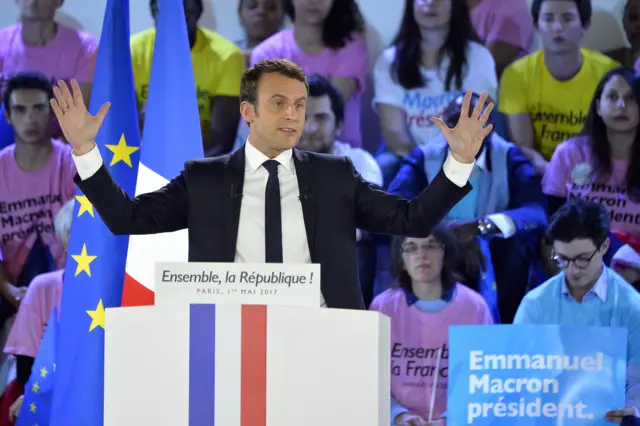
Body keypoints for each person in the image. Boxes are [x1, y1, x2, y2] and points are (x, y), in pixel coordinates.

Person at [50, 59, 495, 310]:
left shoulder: (334, 174)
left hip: (322, 333)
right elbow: (127, 217)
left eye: (299, 106)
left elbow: (411, 217)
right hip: (226, 337)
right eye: (278, 103)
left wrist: (459, 160)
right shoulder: (203, 179)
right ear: (247, 112)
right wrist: (87, 151)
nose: (291, 116)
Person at [388, 93, 547, 323]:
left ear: (489, 128)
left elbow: (535, 211)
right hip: (435, 241)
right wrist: (447, 233)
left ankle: (503, 329)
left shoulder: (509, 156)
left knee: (515, 244)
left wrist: (480, 228)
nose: (464, 130)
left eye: (474, 122)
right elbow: (394, 206)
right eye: (455, 122)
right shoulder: (424, 157)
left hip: (494, 250)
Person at [514, 197, 640, 422]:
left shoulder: (631, 307)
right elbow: (516, 375)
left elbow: (637, 383)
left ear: (604, 246)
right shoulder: (535, 304)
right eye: (562, 259)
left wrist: (634, 410)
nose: (572, 270)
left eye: (582, 259)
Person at [370, 226, 493, 426]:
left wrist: (449, 419)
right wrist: (398, 414)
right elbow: (370, 377)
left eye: (431, 246)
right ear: (401, 260)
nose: (421, 255)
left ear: (446, 253)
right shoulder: (382, 307)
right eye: (411, 247)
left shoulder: (474, 306)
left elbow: (487, 379)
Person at [372, 0, 498, 186]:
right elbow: (394, 134)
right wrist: (424, 165)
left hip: (463, 152)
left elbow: (477, 124)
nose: (430, 3)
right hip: (410, 155)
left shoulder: (478, 57)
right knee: (386, 165)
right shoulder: (389, 61)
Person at [499, 0, 619, 175]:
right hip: (538, 174)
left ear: (585, 25)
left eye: (567, 18)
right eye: (548, 19)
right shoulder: (516, 74)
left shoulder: (609, 74)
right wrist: (552, 172)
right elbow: (523, 148)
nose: (557, 27)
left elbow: (614, 143)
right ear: (536, 26)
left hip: (595, 175)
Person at [131, 0, 245, 156]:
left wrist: (181, 175)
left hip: (200, 166)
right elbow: (122, 127)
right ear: (153, 11)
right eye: (166, 12)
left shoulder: (226, 56)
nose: (175, 21)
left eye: (185, 13)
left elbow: (221, 140)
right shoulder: (130, 52)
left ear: (198, 13)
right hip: (143, 161)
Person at [251, 0, 368, 148]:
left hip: (339, 152)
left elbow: (329, 104)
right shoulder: (267, 53)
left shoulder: (351, 46)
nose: (314, 2)